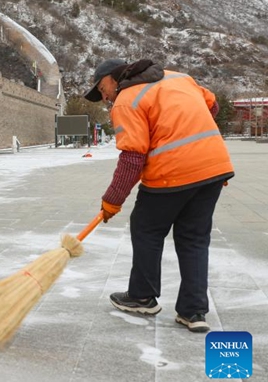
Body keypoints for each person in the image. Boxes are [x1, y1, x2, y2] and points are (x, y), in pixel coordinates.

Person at [83, 58, 234, 333]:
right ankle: (194, 311)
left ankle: (142, 296)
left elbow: (132, 157)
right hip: (213, 167)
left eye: (102, 88)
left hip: (171, 172)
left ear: (115, 79)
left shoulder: (126, 100)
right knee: (194, 239)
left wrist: (112, 200)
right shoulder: (179, 78)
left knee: (146, 229)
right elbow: (212, 105)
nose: (103, 96)